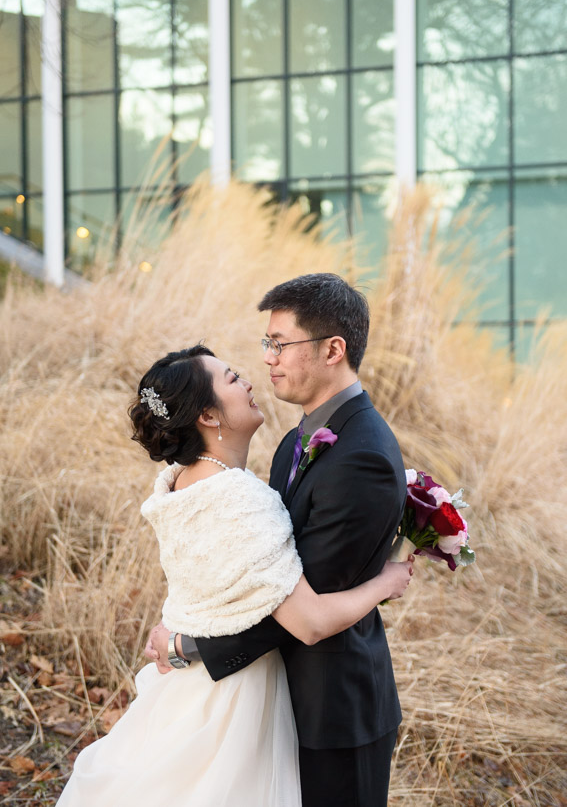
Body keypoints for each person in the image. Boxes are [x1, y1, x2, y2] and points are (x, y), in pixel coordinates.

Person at [56, 344, 413, 806]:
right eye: (232, 379)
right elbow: (310, 622)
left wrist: (181, 640)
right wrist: (387, 581)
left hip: (183, 691)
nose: (248, 381)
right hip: (236, 701)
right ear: (208, 415)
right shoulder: (241, 500)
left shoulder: (183, 483)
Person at [148, 274, 409, 807]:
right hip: (273, 700)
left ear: (333, 349)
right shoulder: (294, 438)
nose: (267, 358)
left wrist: (188, 646)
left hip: (332, 713)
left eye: (280, 344)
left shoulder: (363, 456)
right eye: (267, 344)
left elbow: (301, 609)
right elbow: (259, 574)